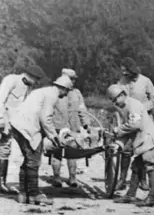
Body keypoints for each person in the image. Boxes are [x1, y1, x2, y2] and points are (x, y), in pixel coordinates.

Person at [9, 75, 73, 205]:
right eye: (67, 92)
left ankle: (23, 193)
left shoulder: (43, 91)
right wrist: (54, 136)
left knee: (28, 160)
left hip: (17, 125)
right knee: (34, 161)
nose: (65, 95)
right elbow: (45, 118)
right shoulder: (52, 95)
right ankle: (33, 194)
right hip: (28, 127)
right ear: (64, 89)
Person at [108, 84, 154, 207]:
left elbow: (134, 125)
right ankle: (131, 195)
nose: (115, 103)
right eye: (112, 100)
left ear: (122, 95)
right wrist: (119, 144)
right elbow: (127, 131)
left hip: (148, 139)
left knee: (150, 167)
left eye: (115, 99)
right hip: (140, 142)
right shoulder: (124, 107)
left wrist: (118, 130)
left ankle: (152, 198)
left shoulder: (133, 104)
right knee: (136, 167)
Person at [116, 57, 154, 192]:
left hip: (143, 122)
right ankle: (122, 179)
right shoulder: (121, 82)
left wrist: (140, 108)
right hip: (128, 121)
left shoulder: (146, 81)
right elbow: (118, 100)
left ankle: (143, 180)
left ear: (132, 70)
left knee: (142, 150)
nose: (123, 74)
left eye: (126, 71)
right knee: (125, 151)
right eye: (122, 71)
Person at [0, 64, 46, 194]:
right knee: (3, 148)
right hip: (4, 120)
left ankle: (2, 182)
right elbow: (0, 101)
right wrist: (3, 121)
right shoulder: (11, 80)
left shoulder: (28, 88)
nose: (36, 82)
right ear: (29, 76)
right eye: (36, 79)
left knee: (5, 150)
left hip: (15, 123)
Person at [50, 68, 89, 188]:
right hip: (58, 127)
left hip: (73, 128)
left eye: (74, 79)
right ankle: (57, 177)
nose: (73, 82)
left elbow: (82, 109)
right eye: (71, 79)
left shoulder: (77, 93)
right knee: (56, 151)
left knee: (72, 152)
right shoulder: (55, 92)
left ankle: (72, 177)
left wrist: (86, 124)